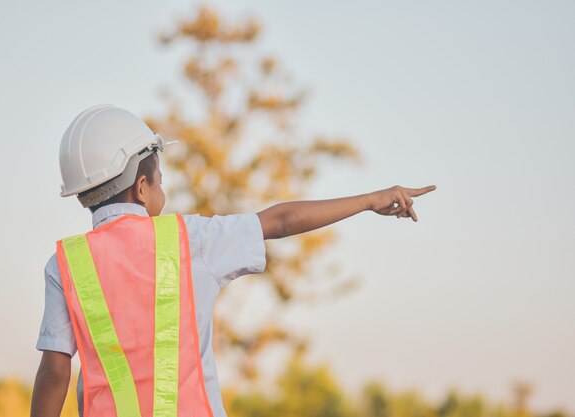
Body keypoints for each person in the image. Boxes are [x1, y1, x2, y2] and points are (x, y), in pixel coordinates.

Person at [30, 104, 436, 417]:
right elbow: (281, 220)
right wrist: (369, 200)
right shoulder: (191, 239)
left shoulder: (66, 263)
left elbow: (54, 371)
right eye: (160, 180)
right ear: (141, 187)